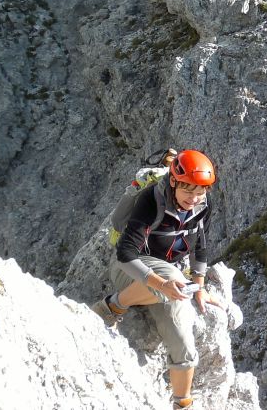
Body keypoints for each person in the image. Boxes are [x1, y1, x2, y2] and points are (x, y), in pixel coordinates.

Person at [91, 149, 221, 410]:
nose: (194, 199)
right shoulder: (152, 200)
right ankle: (112, 306)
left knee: (183, 341)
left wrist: (200, 285)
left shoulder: (202, 206)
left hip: (166, 274)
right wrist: (162, 284)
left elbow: (200, 244)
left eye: (200, 192)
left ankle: (182, 403)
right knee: (173, 279)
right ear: (173, 182)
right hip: (130, 269)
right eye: (188, 192)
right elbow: (125, 252)